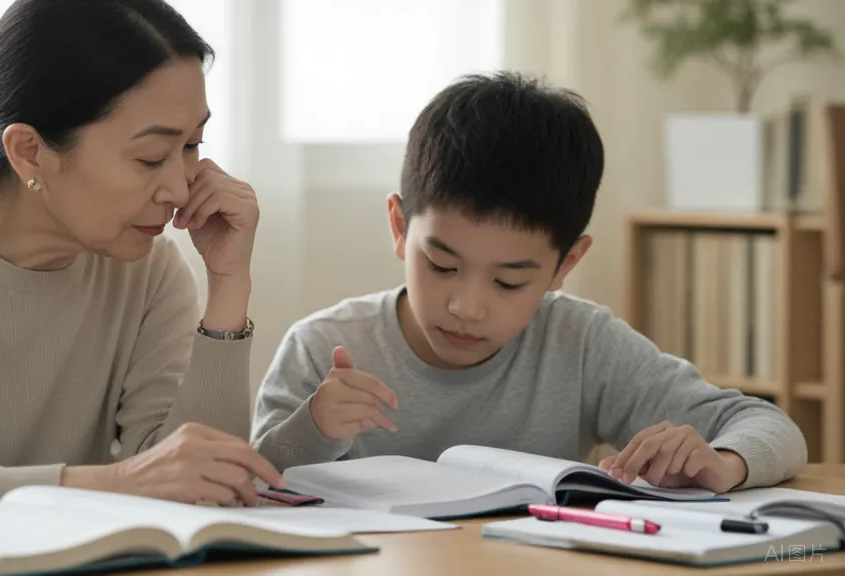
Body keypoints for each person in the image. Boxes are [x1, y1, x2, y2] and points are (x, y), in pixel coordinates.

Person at [0, 0, 284, 520]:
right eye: (150, 158)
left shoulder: (149, 271)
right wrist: (105, 484)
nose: (179, 187)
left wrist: (228, 285)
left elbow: (197, 488)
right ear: (30, 152)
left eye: (193, 144)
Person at [251, 71, 807, 493]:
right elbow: (250, 483)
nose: (467, 306)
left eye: (511, 282)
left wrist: (725, 462)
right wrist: (315, 427)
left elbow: (769, 426)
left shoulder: (582, 344)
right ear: (399, 227)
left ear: (565, 266)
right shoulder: (324, 348)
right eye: (442, 266)